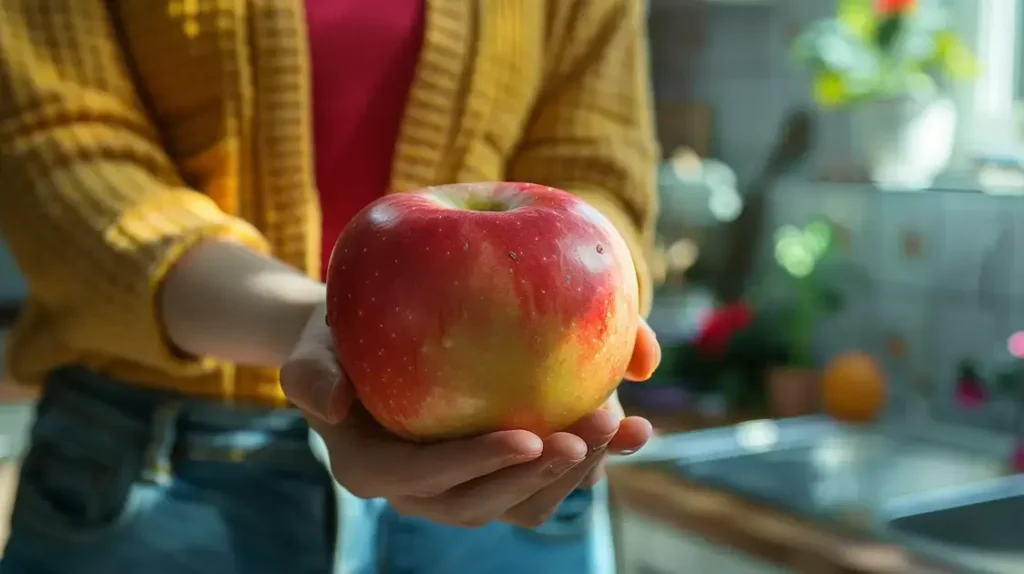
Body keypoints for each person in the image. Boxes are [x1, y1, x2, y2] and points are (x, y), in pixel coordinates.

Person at [0, 0, 661, 573]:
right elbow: (58, 151)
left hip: (522, 468)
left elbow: (594, 169)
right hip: (157, 472)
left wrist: (587, 313)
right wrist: (327, 336)